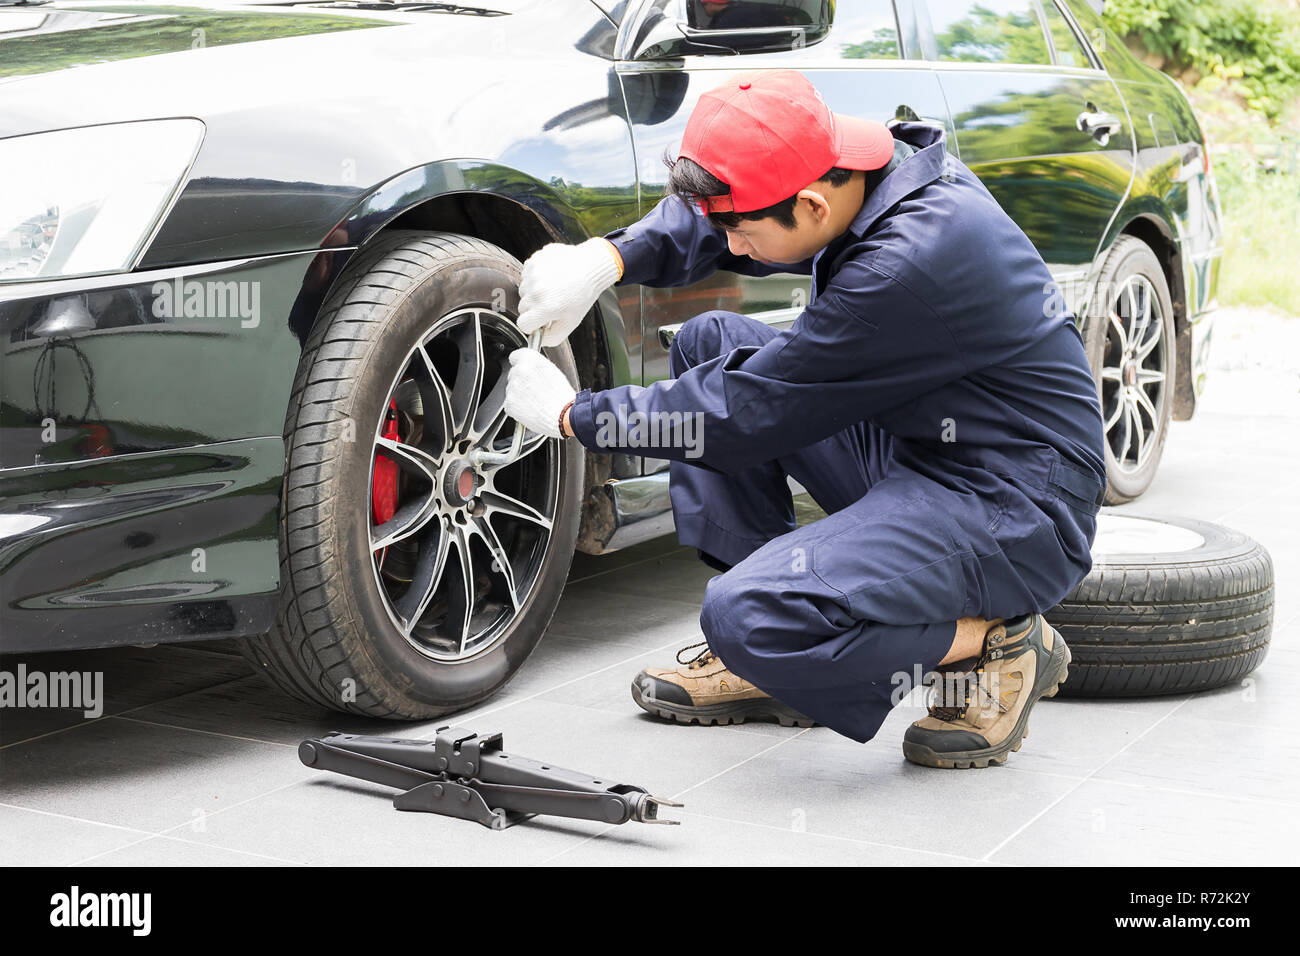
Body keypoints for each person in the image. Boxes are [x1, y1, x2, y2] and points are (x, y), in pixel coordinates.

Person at [503, 69, 1106, 768]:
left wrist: (575, 415)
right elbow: (724, 213)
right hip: (926, 442)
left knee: (744, 615)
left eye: (741, 232)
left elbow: (738, 415)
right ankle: (762, 660)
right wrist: (606, 260)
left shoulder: (905, 264)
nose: (728, 247)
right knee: (710, 344)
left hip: (1014, 502)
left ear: (814, 206)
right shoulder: (864, 165)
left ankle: (994, 637)